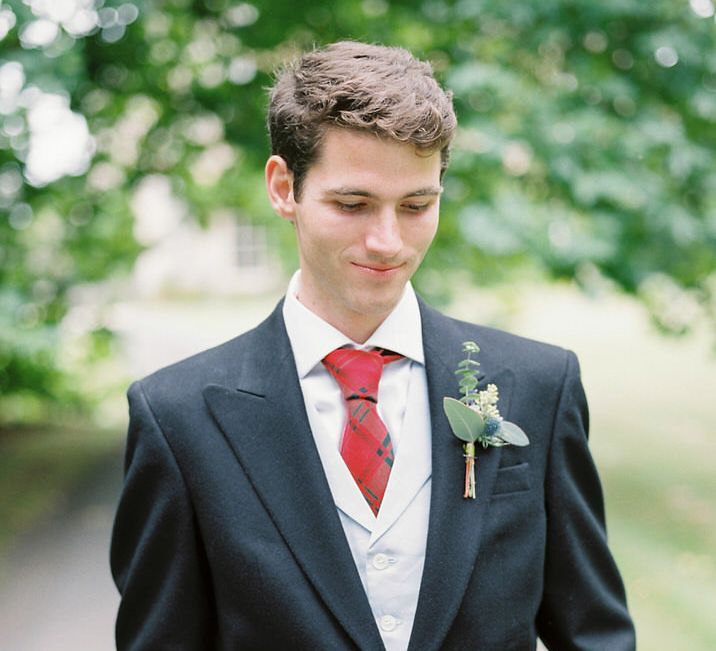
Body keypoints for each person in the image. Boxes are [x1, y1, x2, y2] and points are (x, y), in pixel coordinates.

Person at [110, 41, 635, 651]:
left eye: (416, 206)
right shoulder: (176, 416)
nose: (388, 242)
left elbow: (595, 635)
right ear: (285, 188)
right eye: (352, 204)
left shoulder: (539, 384)